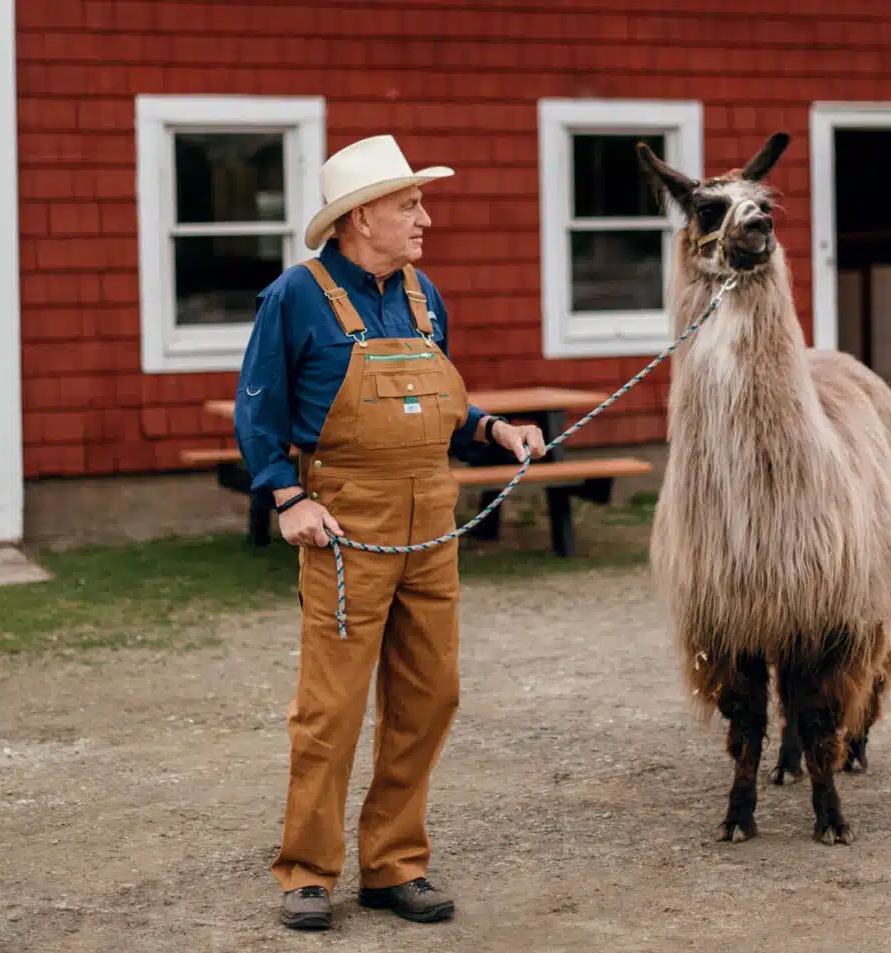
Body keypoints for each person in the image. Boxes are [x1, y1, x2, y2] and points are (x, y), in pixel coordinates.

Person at [234, 134, 546, 931]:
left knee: (429, 694)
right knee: (331, 707)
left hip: (431, 521)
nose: (425, 219)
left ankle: (393, 864)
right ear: (361, 216)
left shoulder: (421, 293)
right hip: (344, 522)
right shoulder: (295, 297)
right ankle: (306, 871)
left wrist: (495, 428)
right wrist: (284, 497)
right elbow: (258, 410)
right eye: (410, 206)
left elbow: (439, 403)